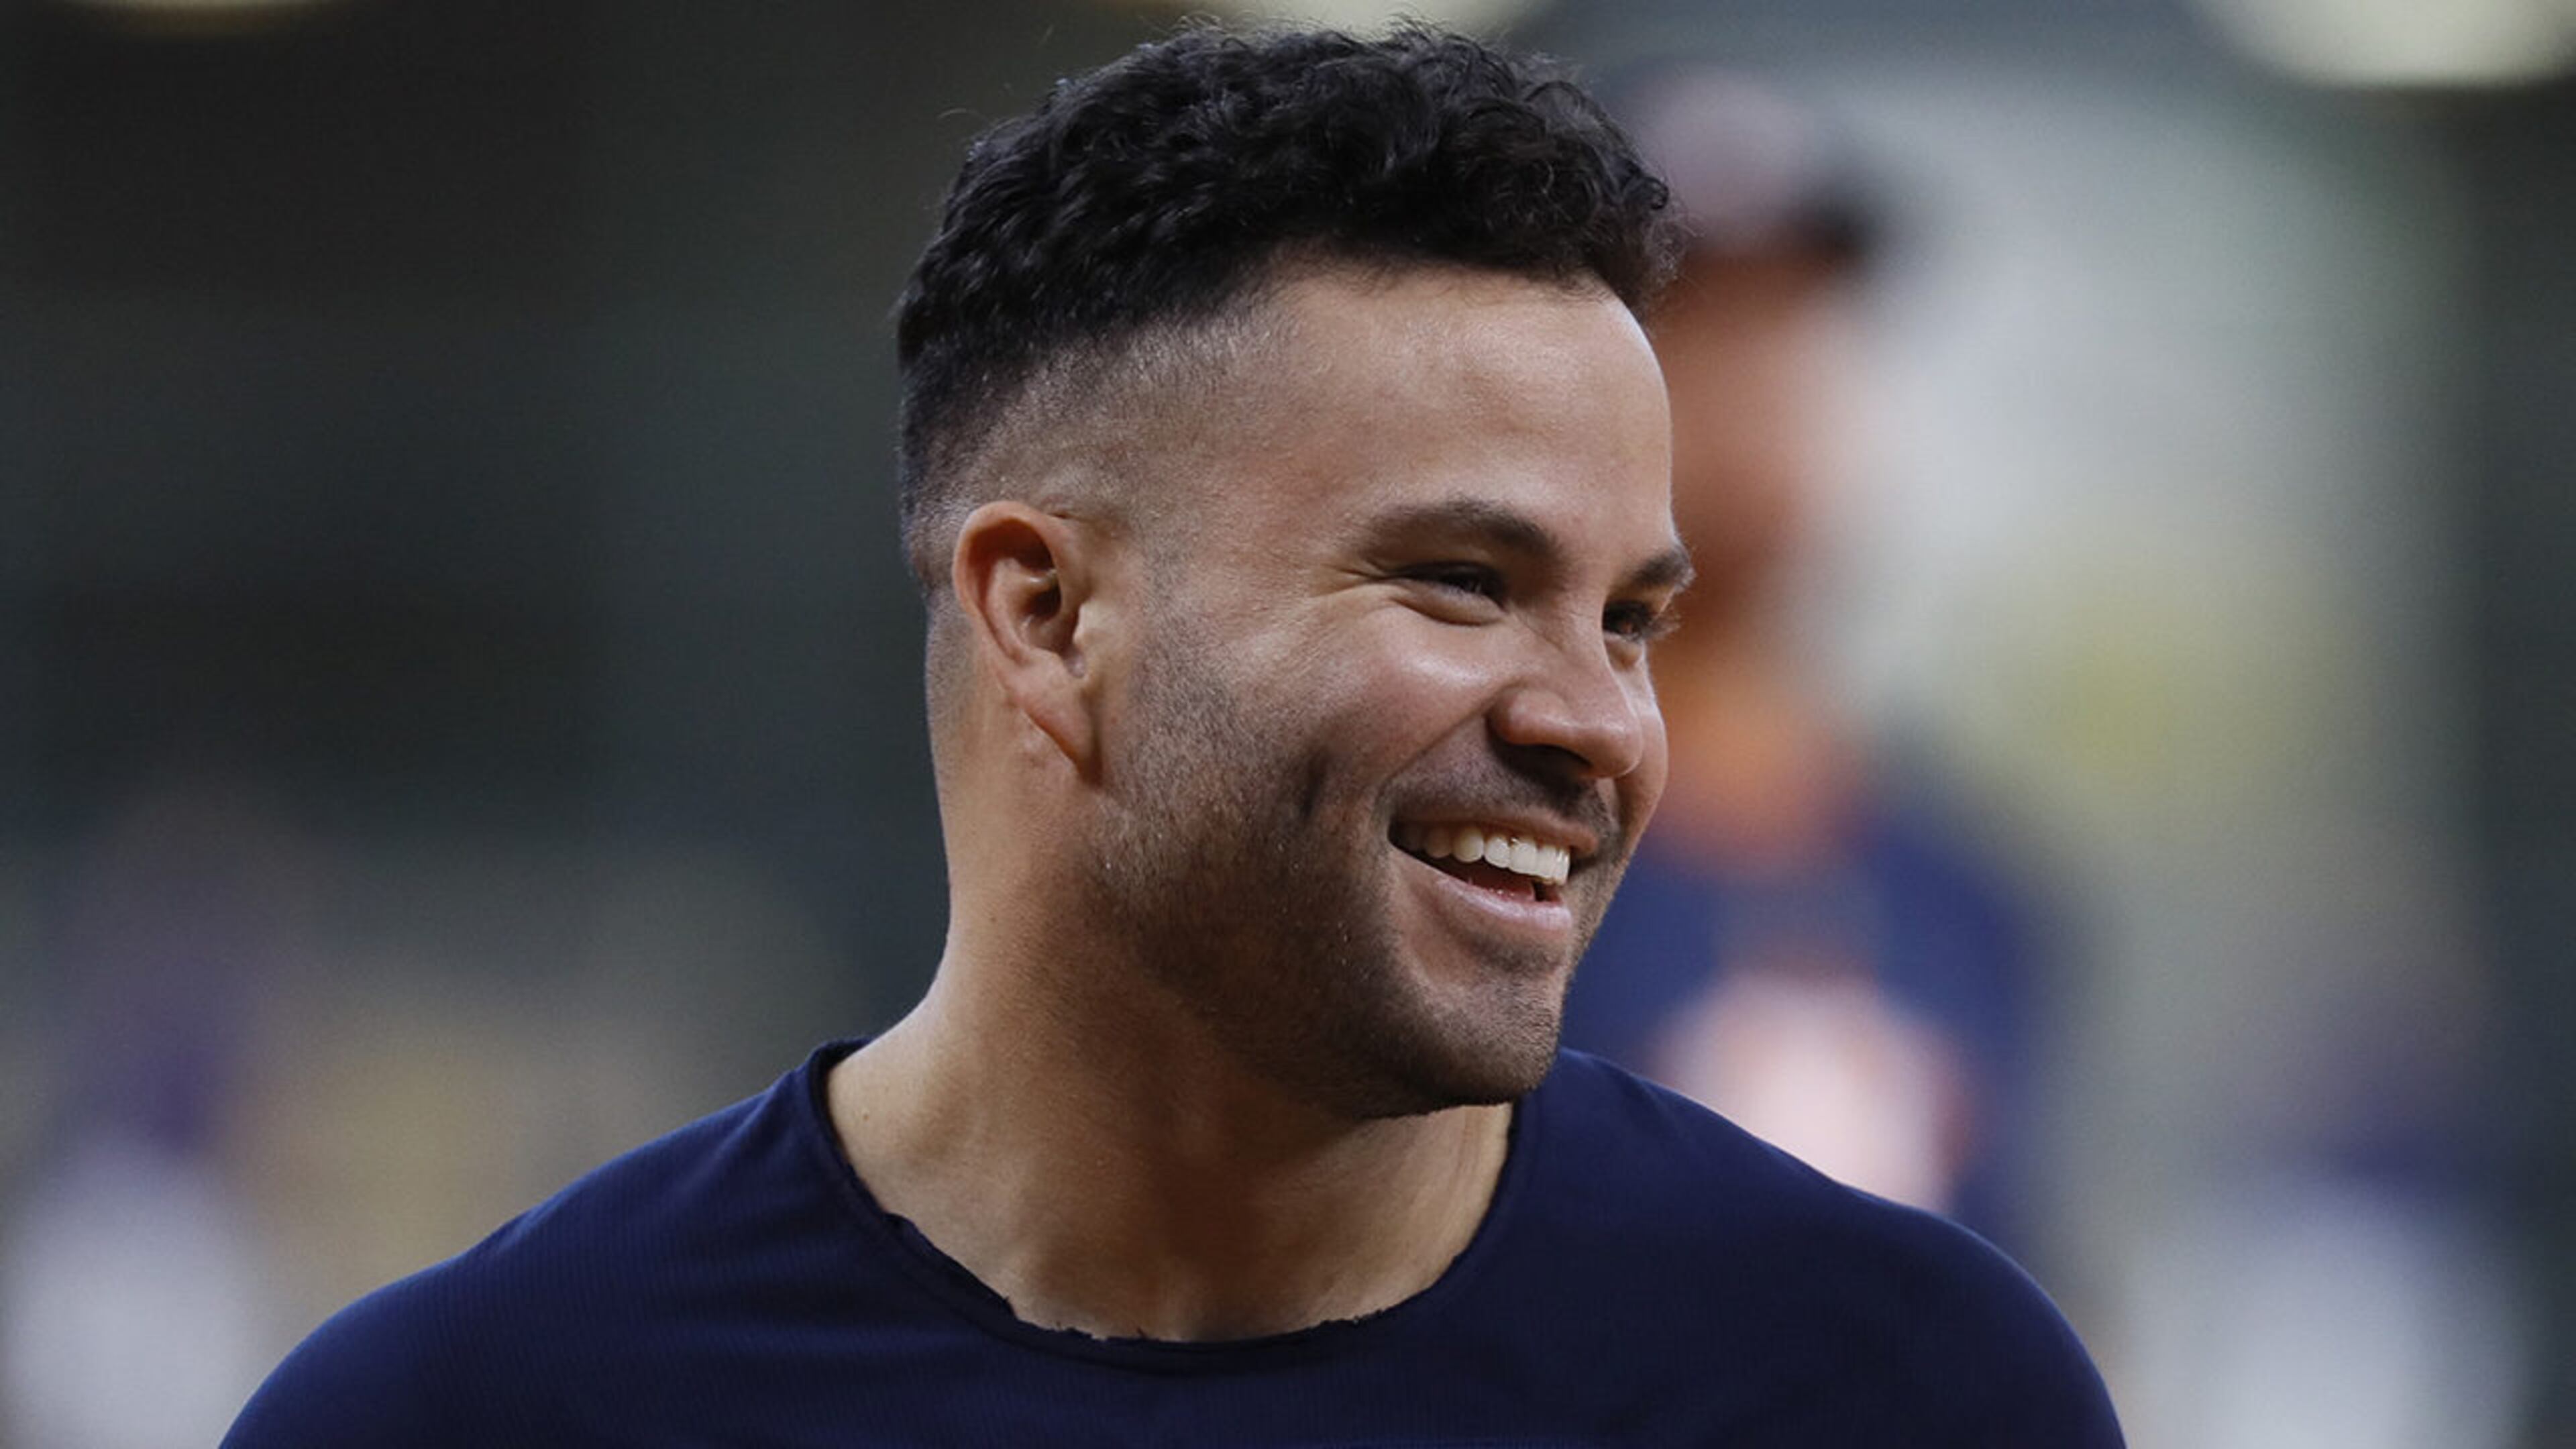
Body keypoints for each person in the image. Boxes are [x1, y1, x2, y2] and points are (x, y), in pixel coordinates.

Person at [223, 26, 2122, 1446]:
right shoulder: (476, 1412)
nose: (1598, 725)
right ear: (1047, 616)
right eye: (1461, 582)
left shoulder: (1898, 1388)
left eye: (1629, 617)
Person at [1561, 74, 2051, 1242]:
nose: (1755, 387)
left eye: (1794, 327)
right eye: (1692, 326)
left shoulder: (1969, 892)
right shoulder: (1479, 849)